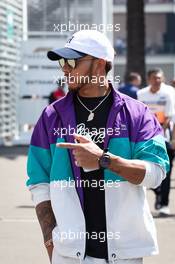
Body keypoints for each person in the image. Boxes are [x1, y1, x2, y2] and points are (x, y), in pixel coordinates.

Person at [26, 30, 169, 264]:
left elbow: (156, 173)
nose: (65, 68)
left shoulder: (137, 114)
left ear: (100, 64)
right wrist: (51, 243)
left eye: (72, 61)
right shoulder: (51, 116)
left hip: (125, 255)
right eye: (63, 61)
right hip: (69, 256)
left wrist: (105, 160)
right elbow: (39, 183)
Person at [137, 68, 174, 215]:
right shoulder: (141, 94)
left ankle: (164, 204)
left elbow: (169, 117)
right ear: (148, 79)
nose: (157, 81)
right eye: (154, 78)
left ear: (163, 79)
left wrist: (161, 134)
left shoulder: (169, 93)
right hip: (145, 138)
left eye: (159, 78)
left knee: (166, 169)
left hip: (163, 137)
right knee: (145, 167)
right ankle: (157, 190)